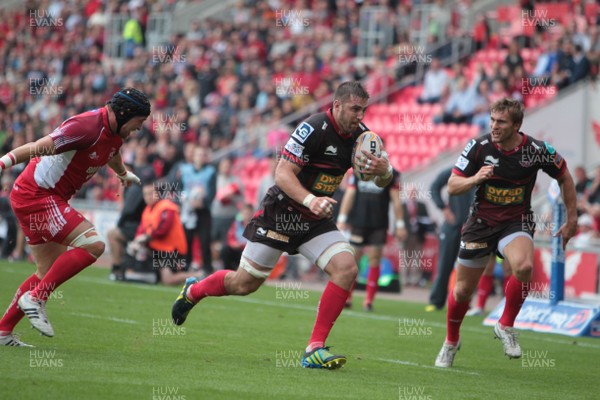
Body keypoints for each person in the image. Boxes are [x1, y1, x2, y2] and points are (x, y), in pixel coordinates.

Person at [171, 81, 394, 369]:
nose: (360, 115)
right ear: (336, 105)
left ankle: (314, 348)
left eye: (364, 109)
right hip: (282, 212)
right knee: (244, 283)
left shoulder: (364, 138)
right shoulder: (312, 128)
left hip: (314, 220)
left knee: (346, 268)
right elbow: (283, 173)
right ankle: (193, 291)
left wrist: (384, 171)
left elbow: (383, 179)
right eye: (354, 109)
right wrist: (311, 199)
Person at [0, 87, 150, 346]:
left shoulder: (115, 132)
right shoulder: (85, 126)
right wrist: (3, 163)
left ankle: (3, 331)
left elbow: (111, 153)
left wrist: (123, 174)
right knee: (94, 244)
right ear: (125, 114)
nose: (139, 129)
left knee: (45, 271)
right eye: (138, 124)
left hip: (44, 197)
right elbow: (38, 147)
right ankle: (36, 298)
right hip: (37, 194)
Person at [434, 98, 577, 368]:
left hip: (516, 221)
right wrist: (476, 178)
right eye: (491, 120)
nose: (494, 126)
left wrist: (572, 219)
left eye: (500, 122)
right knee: (463, 290)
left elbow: (564, 176)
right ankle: (451, 341)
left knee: (523, 267)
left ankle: (506, 325)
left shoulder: (536, 150)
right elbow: (452, 186)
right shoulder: (478, 147)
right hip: (480, 223)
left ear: (517, 125)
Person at [337, 168, 407, 311]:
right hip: (358, 223)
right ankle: (347, 297)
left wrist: (400, 224)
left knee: (374, 260)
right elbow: (350, 193)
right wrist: (342, 218)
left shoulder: (391, 173)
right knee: (353, 261)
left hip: (379, 225)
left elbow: (396, 199)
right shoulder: (358, 171)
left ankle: (368, 301)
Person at [124, 181, 197, 286]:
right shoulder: (147, 210)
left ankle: (198, 275)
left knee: (167, 280)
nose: (148, 197)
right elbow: (141, 230)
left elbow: (162, 230)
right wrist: (137, 241)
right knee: (135, 248)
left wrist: (144, 238)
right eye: (145, 194)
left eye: (150, 193)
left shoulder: (167, 207)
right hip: (158, 249)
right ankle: (135, 272)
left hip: (172, 250)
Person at [426, 167, 474, 312]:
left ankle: (464, 302)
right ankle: (436, 302)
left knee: (469, 268)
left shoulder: (485, 171)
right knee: (444, 265)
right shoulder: (456, 169)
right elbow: (434, 187)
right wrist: (443, 208)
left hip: (473, 228)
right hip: (452, 226)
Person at [106, 143, 156, 281]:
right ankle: (120, 268)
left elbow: (128, 210)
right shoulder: (131, 186)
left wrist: (120, 223)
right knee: (115, 234)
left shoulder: (136, 186)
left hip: (140, 227)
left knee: (113, 234)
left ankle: (117, 269)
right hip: (139, 225)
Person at [179, 145, 216, 275]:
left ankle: (207, 269)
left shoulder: (210, 171)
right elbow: (180, 188)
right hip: (188, 210)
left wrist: (203, 203)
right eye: (198, 154)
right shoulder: (185, 170)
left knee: (205, 241)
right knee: (186, 240)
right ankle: (185, 267)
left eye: (202, 155)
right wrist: (184, 200)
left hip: (202, 211)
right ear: (193, 156)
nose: (200, 157)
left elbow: (212, 192)